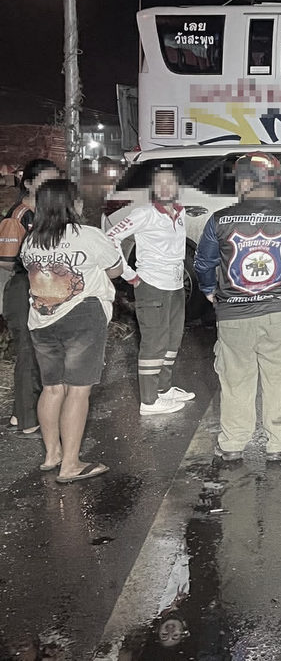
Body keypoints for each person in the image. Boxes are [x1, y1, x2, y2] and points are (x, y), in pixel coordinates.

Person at [193, 152, 281, 462]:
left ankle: (232, 444)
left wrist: (209, 290)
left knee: (236, 380)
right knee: (280, 379)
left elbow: (203, 263)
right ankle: (280, 445)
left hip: (234, 314)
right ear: (275, 182)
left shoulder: (220, 219)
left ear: (243, 183)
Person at [21, 179, 124, 483]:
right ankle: (70, 465)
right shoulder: (88, 235)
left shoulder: (31, 241)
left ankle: (52, 454)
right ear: (72, 204)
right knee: (78, 390)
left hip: (42, 319)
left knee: (52, 388)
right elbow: (115, 269)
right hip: (82, 316)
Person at [105, 163, 194, 416]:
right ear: (152, 188)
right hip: (152, 285)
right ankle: (149, 400)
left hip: (175, 286)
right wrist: (128, 274)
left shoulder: (180, 212)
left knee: (172, 340)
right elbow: (110, 237)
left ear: (178, 187)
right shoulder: (144, 213)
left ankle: (163, 389)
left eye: (170, 182)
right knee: (154, 343)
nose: (164, 187)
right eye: (159, 183)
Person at [0, 159, 62, 436]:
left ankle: (20, 413)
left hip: (42, 286)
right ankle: (28, 420)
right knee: (29, 351)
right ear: (28, 183)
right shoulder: (18, 216)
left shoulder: (46, 212)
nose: (52, 185)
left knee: (39, 351)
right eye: (45, 180)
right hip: (23, 287)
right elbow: (5, 261)